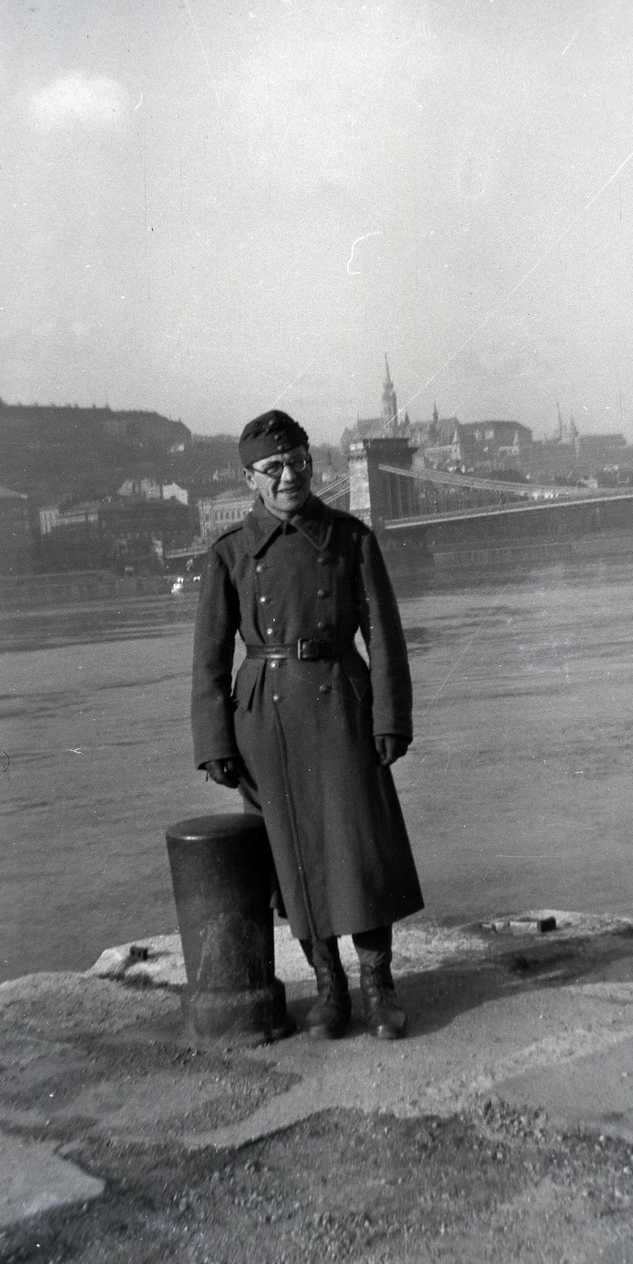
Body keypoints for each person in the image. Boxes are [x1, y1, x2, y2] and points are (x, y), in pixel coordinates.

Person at [191, 409, 424, 1040]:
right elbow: (210, 660)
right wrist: (214, 742)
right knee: (291, 860)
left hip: (341, 705)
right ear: (251, 480)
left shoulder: (352, 539)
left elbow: (385, 638)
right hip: (265, 721)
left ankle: (379, 990)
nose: (289, 476)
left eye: (298, 463)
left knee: (360, 848)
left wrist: (390, 717)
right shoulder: (230, 555)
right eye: (273, 468)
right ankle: (329, 991)